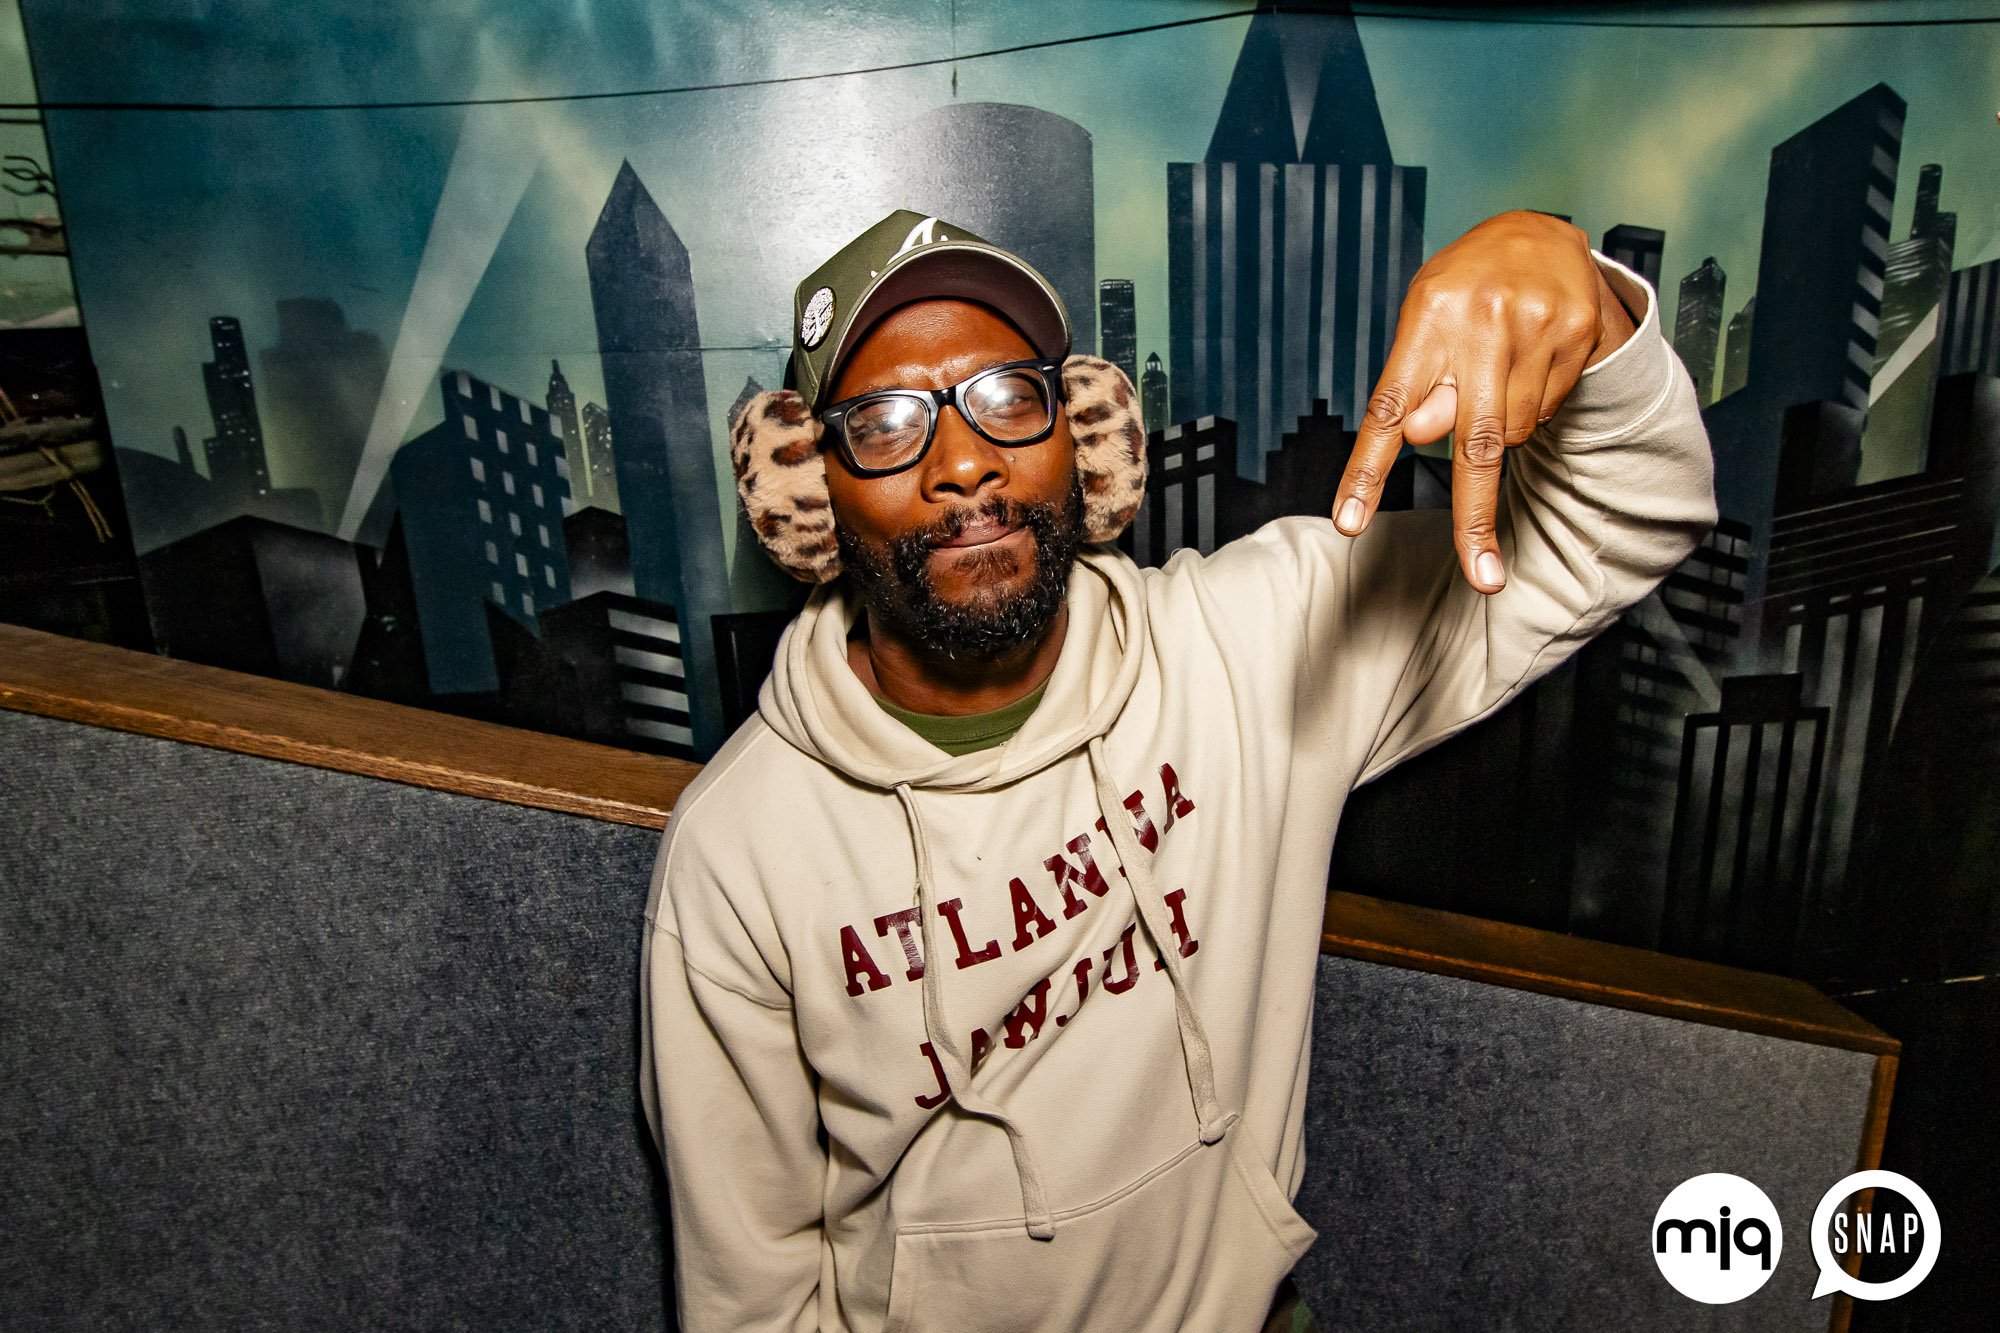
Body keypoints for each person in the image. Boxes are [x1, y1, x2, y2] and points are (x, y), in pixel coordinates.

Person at [641, 207, 1715, 1332]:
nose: (963, 462)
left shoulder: (1247, 648)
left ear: (1086, 433)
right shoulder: (739, 849)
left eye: (1009, 396)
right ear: (808, 496)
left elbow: (1628, 520)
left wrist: (1585, 298)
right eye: (884, 423)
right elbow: (749, 1302)